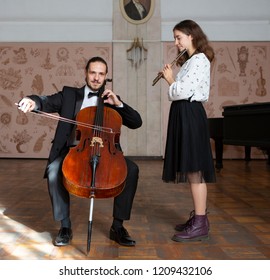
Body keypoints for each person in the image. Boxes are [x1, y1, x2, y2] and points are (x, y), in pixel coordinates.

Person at [17, 56, 142, 247]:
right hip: (73, 151)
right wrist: (32, 101)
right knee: (53, 172)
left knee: (131, 170)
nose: (96, 78)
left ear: (106, 76)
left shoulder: (110, 99)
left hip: (105, 152)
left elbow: (136, 122)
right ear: (86, 73)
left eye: (101, 74)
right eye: (93, 73)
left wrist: (119, 104)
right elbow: (46, 101)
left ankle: (118, 226)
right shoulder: (69, 94)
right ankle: (65, 226)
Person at [161, 20, 216, 242]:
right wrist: (173, 82)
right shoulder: (189, 62)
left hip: (191, 115)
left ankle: (201, 223)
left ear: (191, 36)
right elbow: (177, 93)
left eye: (178, 37)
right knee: (192, 169)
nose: (176, 43)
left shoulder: (200, 60)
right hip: (184, 115)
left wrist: (170, 79)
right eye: (175, 38)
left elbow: (180, 91)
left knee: (196, 170)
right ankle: (199, 218)